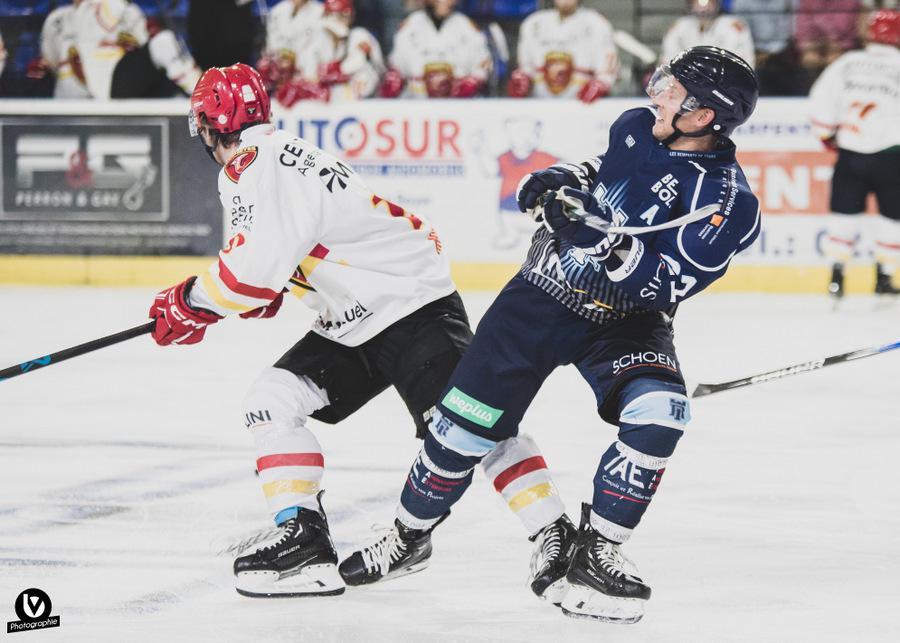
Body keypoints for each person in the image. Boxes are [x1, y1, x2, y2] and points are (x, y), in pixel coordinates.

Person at [340, 46, 761, 623]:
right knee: (457, 434)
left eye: (673, 91)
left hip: (626, 321)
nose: (658, 95)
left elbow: (665, 284)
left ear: (703, 115)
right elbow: (605, 165)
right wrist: (563, 178)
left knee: (661, 413)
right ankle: (409, 538)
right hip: (539, 298)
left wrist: (603, 241)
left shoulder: (726, 204)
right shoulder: (637, 125)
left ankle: (597, 551)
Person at [148, 63, 569, 598]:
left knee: (472, 426)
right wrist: (272, 286)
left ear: (211, 124)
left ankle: (556, 532)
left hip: (409, 306)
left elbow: (247, 277)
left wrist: (189, 302)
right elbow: (287, 253)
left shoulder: (253, 165)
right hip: (357, 319)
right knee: (272, 399)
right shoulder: (278, 154)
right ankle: (303, 539)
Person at [809, 9, 900, 297]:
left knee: (843, 216)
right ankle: (884, 277)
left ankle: (836, 276)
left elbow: (821, 99)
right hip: (891, 157)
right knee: (892, 218)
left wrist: (825, 134)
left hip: (851, 154)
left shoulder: (848, 62)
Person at [71, 0, 201, 98]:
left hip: (133, 81)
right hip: (109, 84)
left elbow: (148, 45)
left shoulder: (131, 10)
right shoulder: (87, 9)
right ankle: (202, 95)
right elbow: (107, 17)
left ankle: (198, 100)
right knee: (163, 42)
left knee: (171, 66)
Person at [509, 0, 618, 102]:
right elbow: (525, 65)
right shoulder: (533, 22)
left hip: (582, 106)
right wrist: (523, 77)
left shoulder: (597, 23)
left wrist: (602, 83)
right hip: (539, 104)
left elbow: (607, 66)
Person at [381, 0, 491, 98]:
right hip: (416, 102)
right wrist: (395, 78)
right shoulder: (411, 25)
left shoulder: (467, 26)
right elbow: (397, 66)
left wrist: (471, 82)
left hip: (459, 103)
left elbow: (483, 65)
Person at [303, 0, 385, 101]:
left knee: (364, 76)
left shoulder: (359, 36)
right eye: (336, 16)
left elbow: (359, 68)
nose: (341, 20)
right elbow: (309, 74)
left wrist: (334, 70)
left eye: (343, 15)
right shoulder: (319, 38)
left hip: (367, 99)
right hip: (327, 97)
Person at [27, 0, 92, 99]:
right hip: (66, 93)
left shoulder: (111, 17)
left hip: (103, 95)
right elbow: (51, 59)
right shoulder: (55, 18)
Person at [661, 0, 755, 68]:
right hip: (686, 80)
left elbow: (741, 61)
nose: (703, 9)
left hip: (724, 81)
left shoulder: (733, 25)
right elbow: (669, 58)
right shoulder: (679, 26)